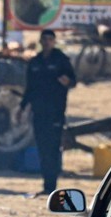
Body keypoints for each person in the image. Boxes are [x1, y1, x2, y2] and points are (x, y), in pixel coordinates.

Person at [20, 29, 76, 194]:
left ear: (54, 41)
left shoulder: (61, 60)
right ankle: (46, 185)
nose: (47, 42)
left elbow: (73, 80)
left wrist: (67, 81)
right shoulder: (35, 62)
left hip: (55, 112)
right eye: (44, 39)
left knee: (53, 148)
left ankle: (52, 185)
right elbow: (29, 87)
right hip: (39, 112)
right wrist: (22, 107)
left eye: (50, 39)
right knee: (42, 148)